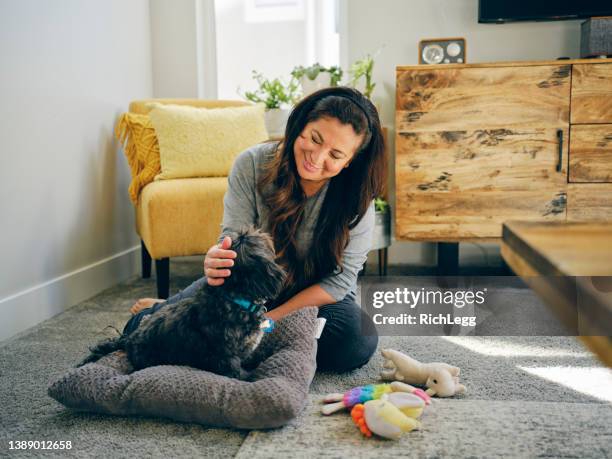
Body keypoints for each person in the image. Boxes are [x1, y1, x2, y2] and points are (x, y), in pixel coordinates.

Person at [125, 86, 386, 372]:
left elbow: (339, 282)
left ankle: (230, 342)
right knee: (138, 330)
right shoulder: (252, 163)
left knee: (355, 343)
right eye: (314, 138)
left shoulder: (358, 198)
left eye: (335, 155)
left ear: (350, 162)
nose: (317, 157)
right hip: (249, 287)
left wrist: (266, 322)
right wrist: (218, 259)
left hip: (316, 297)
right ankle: (174, 310)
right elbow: (232, 241)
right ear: (299, 126)